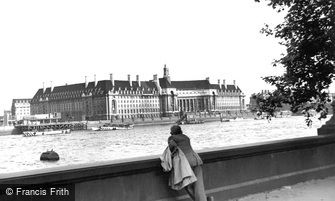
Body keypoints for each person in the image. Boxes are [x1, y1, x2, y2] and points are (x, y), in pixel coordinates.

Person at [168, 125, 207, 201]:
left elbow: (170, 149)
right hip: (196, 161)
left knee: (187, 185)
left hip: (186, 164)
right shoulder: (186, 137)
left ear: (172, 133)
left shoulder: (172, 138)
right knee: (199, 186)